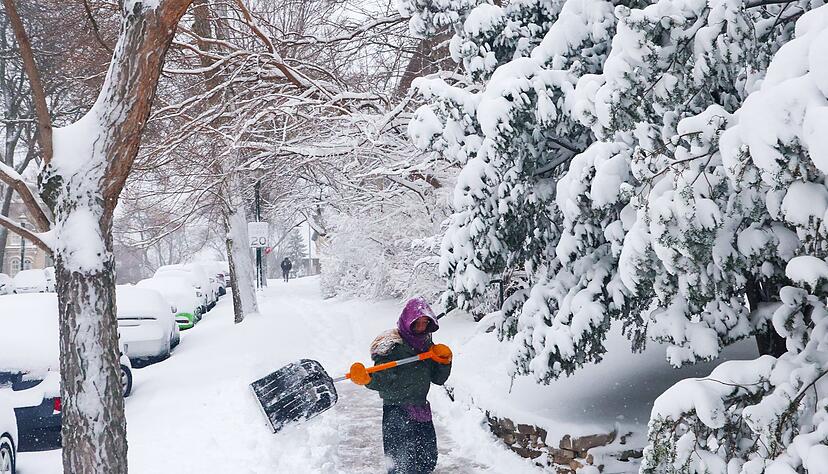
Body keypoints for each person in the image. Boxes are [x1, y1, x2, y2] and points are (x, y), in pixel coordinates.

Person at [349, 297, 452, 474]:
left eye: (424, 323)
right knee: (401, 465)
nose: (421, 327)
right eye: (417, 323)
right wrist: (367, 379)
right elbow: (382, 380)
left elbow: (438, 379)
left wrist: (444, 361)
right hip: (396, 411)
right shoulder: (392, 348)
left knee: (427, 460)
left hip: (421, 409)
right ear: (407, 322)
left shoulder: (427, 345)